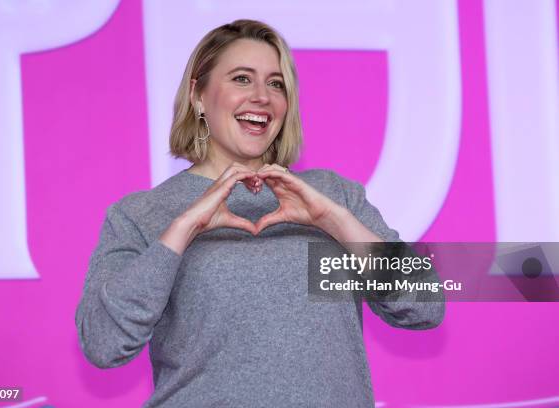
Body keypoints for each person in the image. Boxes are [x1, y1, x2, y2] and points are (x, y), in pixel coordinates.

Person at [75, 19, 445, 407]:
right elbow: (103, 343)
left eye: (276, 84)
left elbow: (425, 304)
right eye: (241, 79)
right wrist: (182, 231)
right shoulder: (141, 214)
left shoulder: (334, 195)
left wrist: (333, 222)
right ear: (198, 95)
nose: (262, 97)